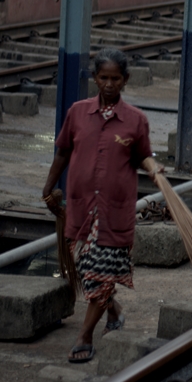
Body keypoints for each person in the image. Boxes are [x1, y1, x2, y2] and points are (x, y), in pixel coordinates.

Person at [42, 49, 163, 363]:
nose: (109, 84)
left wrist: (155, 170)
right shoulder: (78, 113)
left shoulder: (136, 121)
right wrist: (49, 185)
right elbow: (63, 152)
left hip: (114, 212)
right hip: (80, 210)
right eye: (103, 78)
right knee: (88, 271)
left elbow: (143, 156)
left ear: (125, 80)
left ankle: (85, 335)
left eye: (115, 78)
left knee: (102, 273)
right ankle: (114, 310)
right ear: (94, 79)